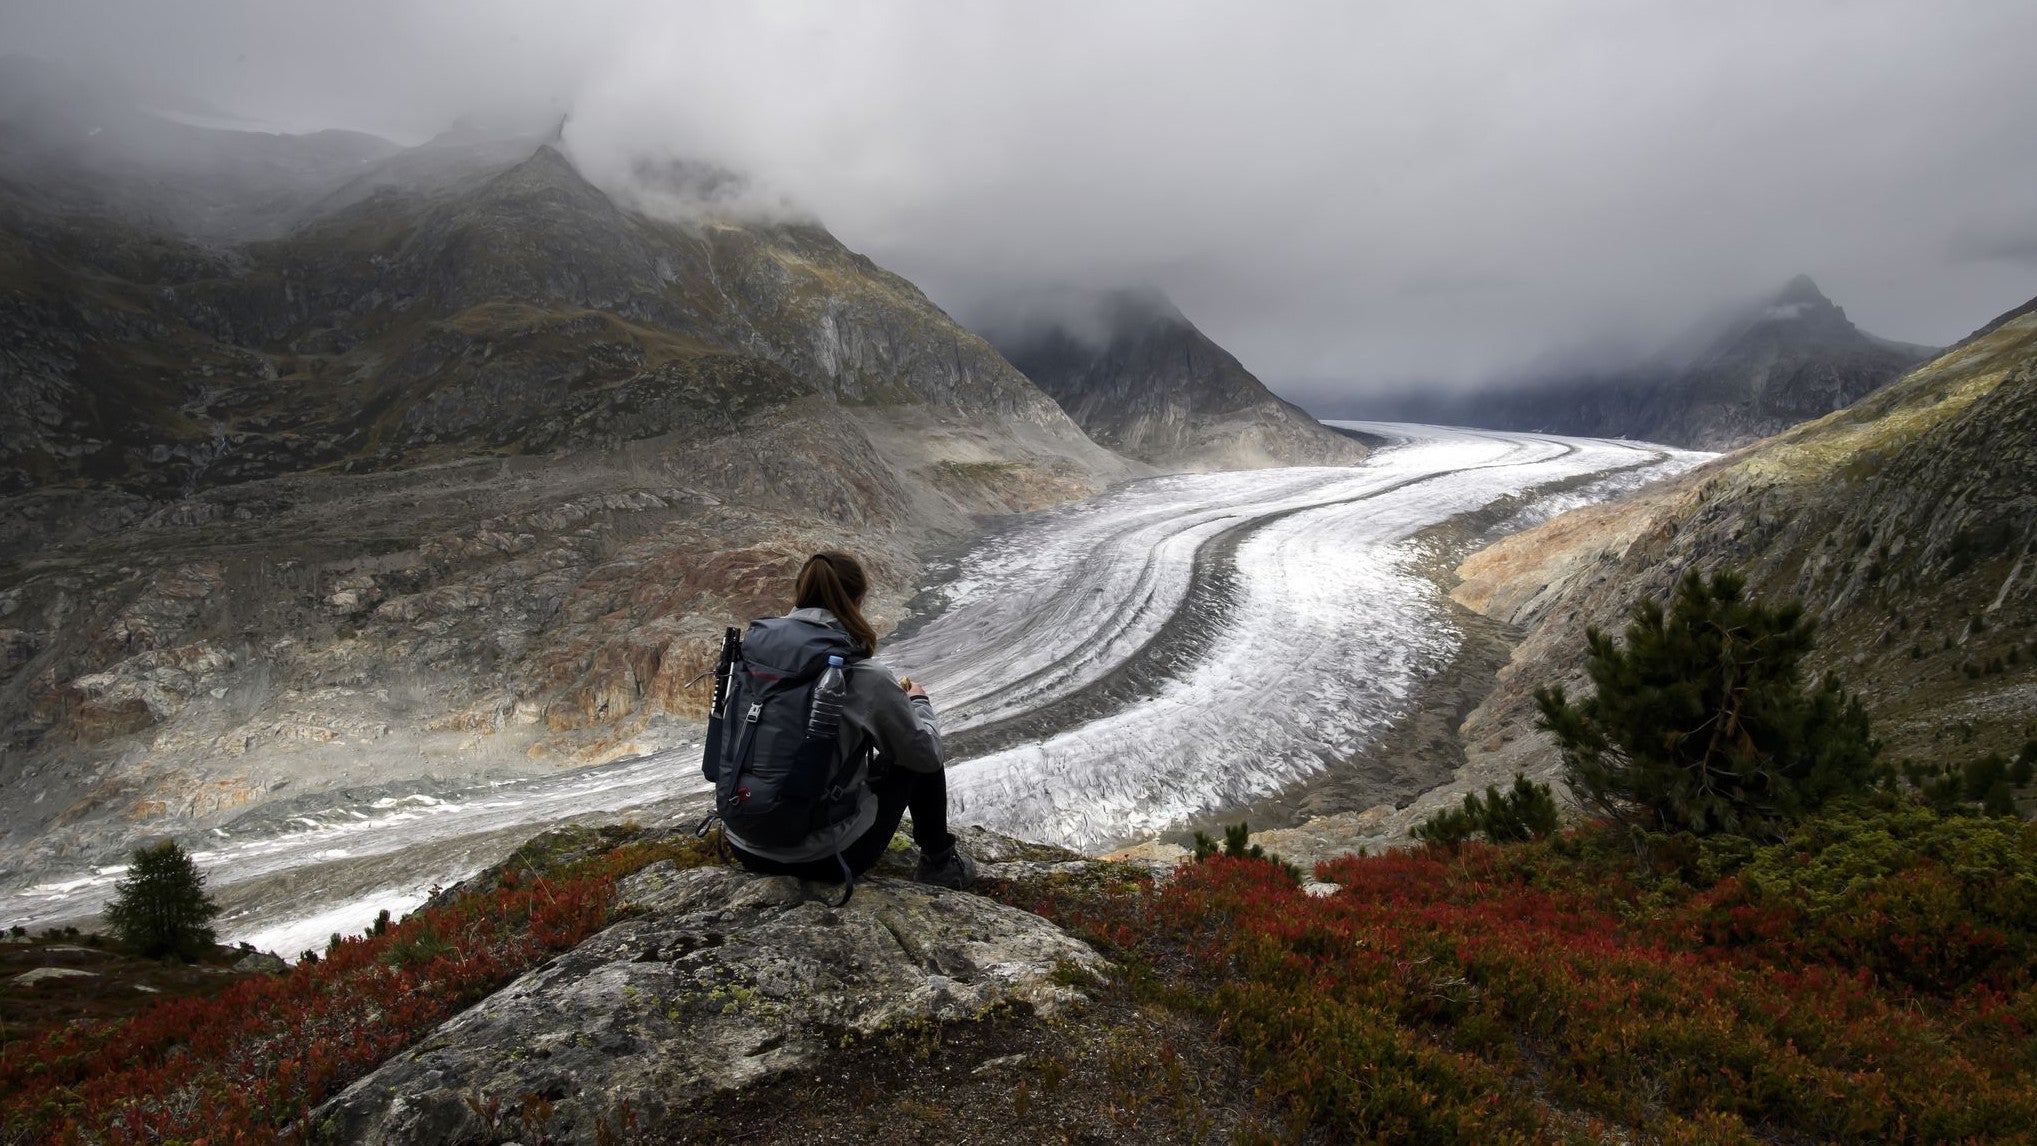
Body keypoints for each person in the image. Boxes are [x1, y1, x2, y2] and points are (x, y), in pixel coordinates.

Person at [723, 551, 977, 889]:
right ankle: (939, 862)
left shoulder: (752, 653)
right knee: (916, 748)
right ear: (857, 600)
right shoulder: (861, 673)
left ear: (799, 594)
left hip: (743, 842)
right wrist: (918, 703)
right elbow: (924, 755)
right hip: (822, 858)